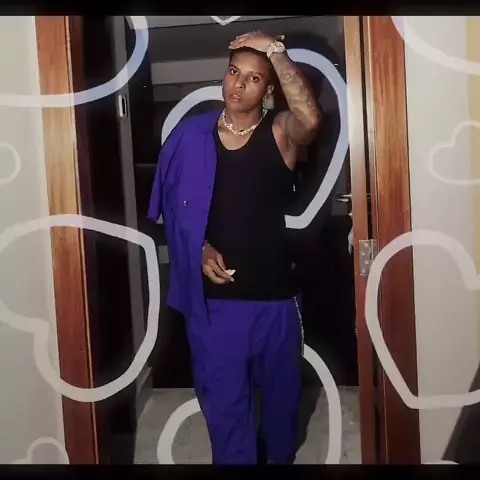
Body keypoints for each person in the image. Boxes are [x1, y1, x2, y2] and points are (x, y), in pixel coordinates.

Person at [148, 31, 321, 465]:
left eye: (253, 78)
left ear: (269, 90)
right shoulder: (191, 136)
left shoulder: (279, 133)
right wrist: (200, 247)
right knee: (225, 411)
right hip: (215, 304)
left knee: (282, 410)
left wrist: (276, 52)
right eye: (233, 72)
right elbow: (174, 208)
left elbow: (310, 118)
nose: (238, 84)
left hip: (275, 300)